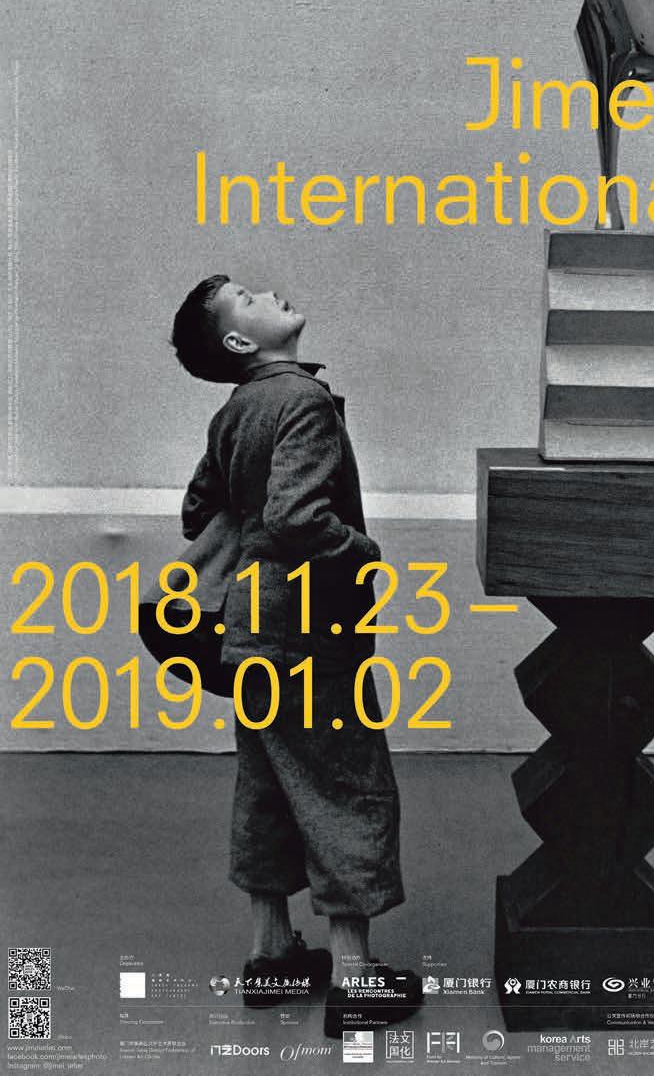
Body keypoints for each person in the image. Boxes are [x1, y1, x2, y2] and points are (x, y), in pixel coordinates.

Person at [170, 274, 421, 1040]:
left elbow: (197, 511)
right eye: (247, 298)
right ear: (239, 340)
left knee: (269, 785)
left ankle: (272, 952)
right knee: (343, 785)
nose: (268, 294)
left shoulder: (236, 409)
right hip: (309, 633)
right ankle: (354, 976)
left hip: (248, 633)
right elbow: (295, 516)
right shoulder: (304, 402)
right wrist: (363, 551)